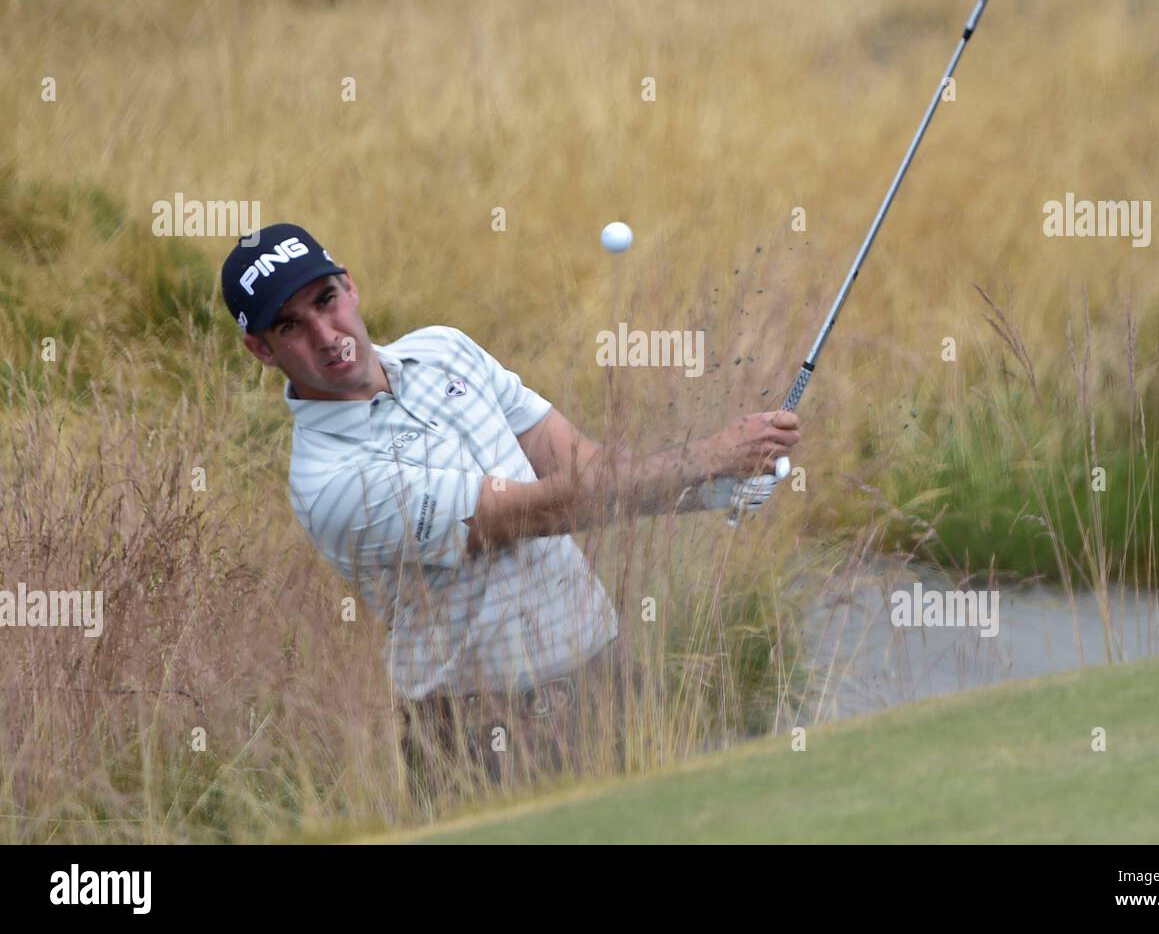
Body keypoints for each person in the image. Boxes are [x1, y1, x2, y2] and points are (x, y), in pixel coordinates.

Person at [220, 223, 800, 798]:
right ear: (261, 350)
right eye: (290, 325)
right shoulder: (330, 482)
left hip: (607, 678)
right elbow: (535, 513)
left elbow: (586, 471)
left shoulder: (444, 349)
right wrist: (708, 458)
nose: (326, 334)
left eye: (326, 301)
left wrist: (711, 487)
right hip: (479, 735)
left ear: (349, 287)